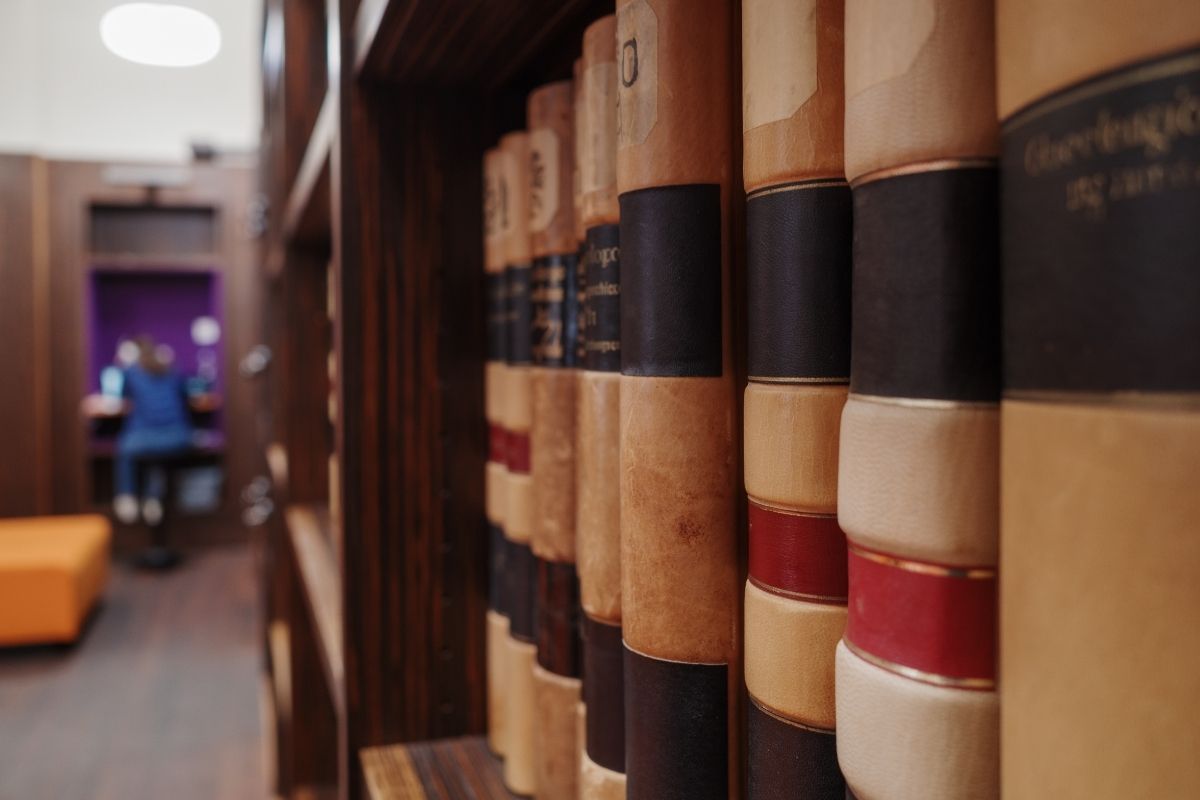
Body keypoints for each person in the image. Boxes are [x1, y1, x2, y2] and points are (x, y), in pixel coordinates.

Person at [113, 335, 195, 525]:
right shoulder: (171, 368)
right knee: (155, 456)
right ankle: (153, 498)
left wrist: (122, 366)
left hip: (143, 440)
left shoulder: (131, 372)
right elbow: (186, 394)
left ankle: (127, 496)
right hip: (179, 437)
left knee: (126, 448)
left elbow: (122, 396)